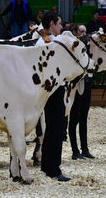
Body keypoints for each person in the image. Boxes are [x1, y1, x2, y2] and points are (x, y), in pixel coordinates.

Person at [37, 12, 70, 182]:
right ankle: (53, 169)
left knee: (52, 128)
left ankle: (47, 165)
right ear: (51, 24)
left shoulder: (44, 39)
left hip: (51, 88)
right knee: (57, 128)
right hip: (53, 88)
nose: (61, 26)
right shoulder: (49, 42)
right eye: (59, 23)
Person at [69, 23, 94, 161]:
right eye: (81, 31)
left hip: (87, 82)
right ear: (74, 32)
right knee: (74, 118)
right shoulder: (72, 48)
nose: (84, 33)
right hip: (75, 84)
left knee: (84, 117)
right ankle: (75, 150)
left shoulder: (88, 48)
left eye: (85, 31)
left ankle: (85, 149)